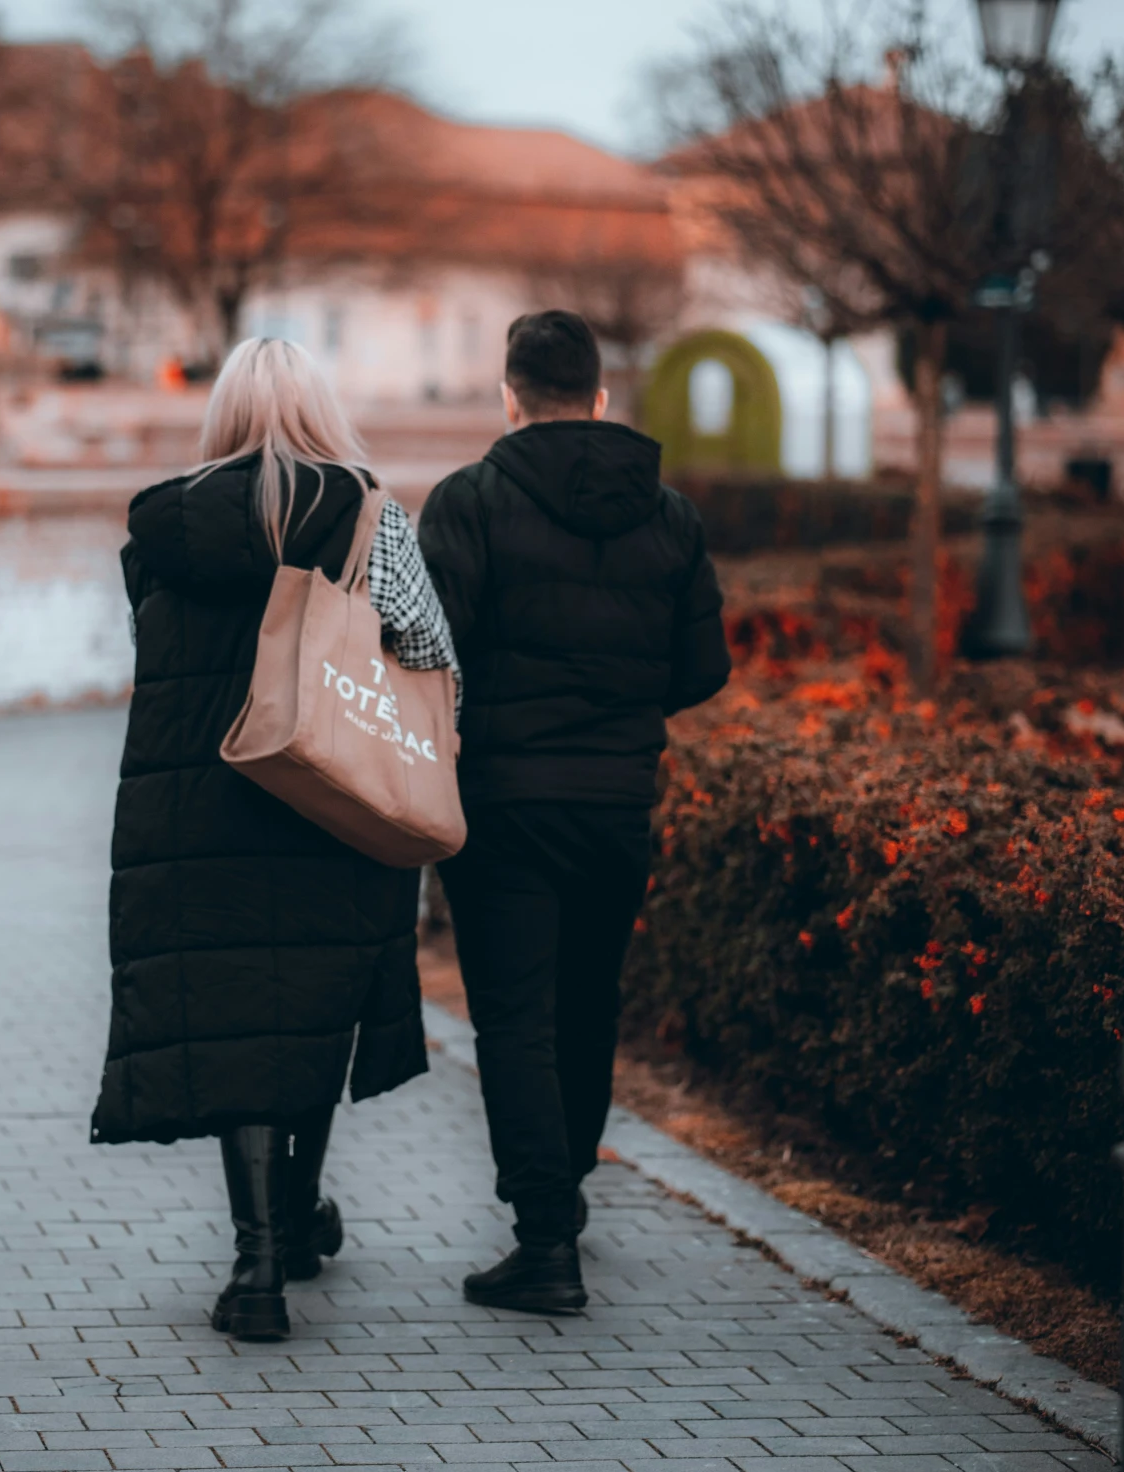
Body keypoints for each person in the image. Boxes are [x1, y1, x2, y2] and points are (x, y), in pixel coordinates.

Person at [91, 336, 458, 1343]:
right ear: (319, 411)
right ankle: (293, 1223)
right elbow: (428, 646)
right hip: (329, 801)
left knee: (235, 1016)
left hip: (199, 814)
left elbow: (153, 654)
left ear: (223, 412)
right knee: (308, 1013)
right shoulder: (367, 512)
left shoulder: (163, 523)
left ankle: (258, 1266)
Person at [419, 310, 730, 1314]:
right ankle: (568, 1196)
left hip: (501, 804)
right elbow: (703, 666)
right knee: (589, 1003)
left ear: (510, 396)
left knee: (513, 1018)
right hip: (616, 800)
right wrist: (619, 711)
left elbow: (430, 655)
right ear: (600, 397)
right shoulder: (671, 516)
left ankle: (545, 1238)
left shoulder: (467, 502)